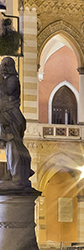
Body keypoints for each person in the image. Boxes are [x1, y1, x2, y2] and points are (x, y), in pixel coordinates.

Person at [0, 56, 33, 188]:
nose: (2, 68)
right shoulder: (7, 79)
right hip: (7, 116)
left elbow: (7, 91)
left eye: (3, 65)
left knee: (14, 146)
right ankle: (14, 174)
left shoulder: (13, 80)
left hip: (13, 117)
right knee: (10, 147)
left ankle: (18, 177)